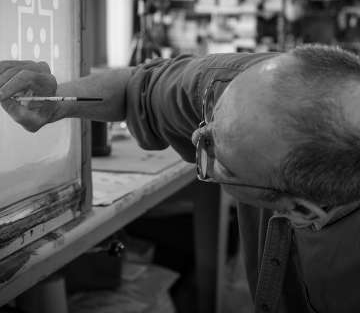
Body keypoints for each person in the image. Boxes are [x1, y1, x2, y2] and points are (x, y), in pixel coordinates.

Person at [1, 44, 360, 313]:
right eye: (211, 115)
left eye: (218, 161)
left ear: (300, 210)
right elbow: (135, 89)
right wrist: (57, 101)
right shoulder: (247, 89)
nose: (195, 138)